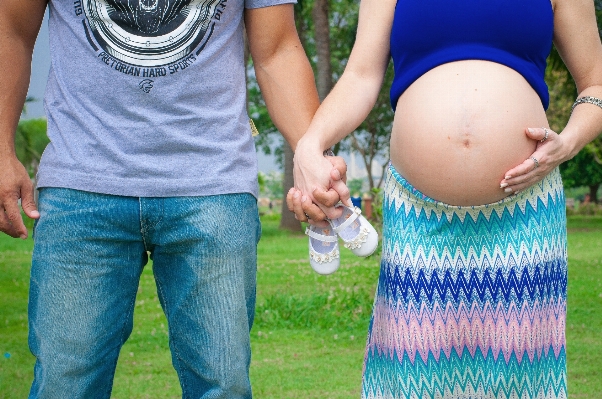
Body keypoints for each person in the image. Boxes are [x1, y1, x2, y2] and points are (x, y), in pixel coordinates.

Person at [0, 0, 348, 397]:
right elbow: (11, 27)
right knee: (64, 386)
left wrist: (314, 160)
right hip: (82, 182)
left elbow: (278, 47)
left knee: (222, 386)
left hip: (213, 187)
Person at [289, 0, 602, 397]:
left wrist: (569, 143)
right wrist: (311, 144)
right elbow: (360, 77)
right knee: (412, 376)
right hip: (418, 215)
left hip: (525, 214)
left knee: (518, 378)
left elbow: (596, 82)